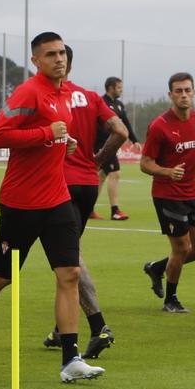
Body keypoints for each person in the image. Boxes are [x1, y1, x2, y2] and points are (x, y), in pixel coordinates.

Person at [0, 32, 105, 383]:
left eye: (62, 53)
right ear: (36, 60)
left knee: (69, 274)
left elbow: (51, 135)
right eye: (50, 54)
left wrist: (62, 142)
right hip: (21, 202)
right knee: (2, 276)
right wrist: (47, 134)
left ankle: (71, 359)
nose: (59, 59)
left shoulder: (64, 93)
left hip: (57, 199)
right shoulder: (29, 92)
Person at [39, 45, 127, 358]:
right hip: (88, 185)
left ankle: (99, 326)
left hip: (58, 185)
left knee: (69, 261)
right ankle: (61, 329)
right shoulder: (92, 97)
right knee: (65, 259)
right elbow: (120, 131)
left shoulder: (48, 97)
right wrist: (98, 160)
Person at [139, 72, 195, 314]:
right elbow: (145, 163)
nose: (184, 95)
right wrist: (166, 171)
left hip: (191, 193)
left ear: (193, 92)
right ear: (171, 95)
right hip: (167, 194)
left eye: (187, 90)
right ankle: (170, 300)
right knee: (182, 248)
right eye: (178, 91)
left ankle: (157, 267)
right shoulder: (159, 126)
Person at [99, 75, 132, 220]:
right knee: (115, 173)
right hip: (104, 145)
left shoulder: (119, 104)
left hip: (111, 144)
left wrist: (134, 140)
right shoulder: (102, 102)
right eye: (119, 87)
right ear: (110, 88)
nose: (121, 90)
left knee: (101, 176)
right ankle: (115, 211)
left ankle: (87, 208)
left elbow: (126, 123)